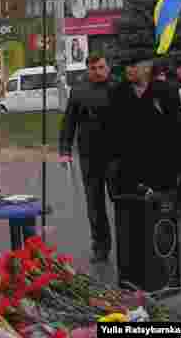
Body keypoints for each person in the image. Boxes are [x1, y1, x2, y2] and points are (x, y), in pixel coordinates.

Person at [103, 58, 181, 197]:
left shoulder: (167, 90)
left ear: (147, 68)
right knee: (130, 216)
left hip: (162, 171)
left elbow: (179, 131)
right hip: (128, 173)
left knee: (162, 215)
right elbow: (111, 133)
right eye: (127, 66)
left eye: (133, 65)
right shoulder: (117, 93)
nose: (128, 69)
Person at [58, 53, 115, 262]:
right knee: (95, 204)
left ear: (107, 67)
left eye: (101, 67)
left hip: (116, 156)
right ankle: (100, 245)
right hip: (90, 156)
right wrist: (64, 150)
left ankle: (127, 242)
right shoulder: (79, 91)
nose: (98, 72)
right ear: (87, 70)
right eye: (93, 68)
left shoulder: (118, 88)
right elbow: (68, 122)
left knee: (121, 201)